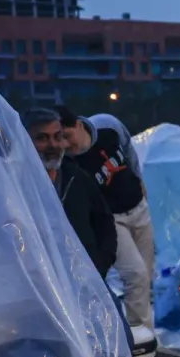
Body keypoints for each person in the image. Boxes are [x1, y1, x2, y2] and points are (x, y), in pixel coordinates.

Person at [58, 106, 156, 325]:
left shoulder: (106, 126)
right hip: (113, 219)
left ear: (79, 124)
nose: (65, 143)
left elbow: (128, 148)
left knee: (146, 277)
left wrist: (138, 179)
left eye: (67, 136)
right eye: (60, 138)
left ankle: (143, 328)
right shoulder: (71, 164)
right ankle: (141, 334)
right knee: (135, 275)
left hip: (138, 207)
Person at [23, 108, 117, 277]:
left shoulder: (76, 177)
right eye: (42, 138)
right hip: (35, 285)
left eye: (58, 137)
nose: (53, 145)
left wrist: (100, 262)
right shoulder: (14, 183)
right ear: (24, 140)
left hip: (85, 281)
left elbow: (104, 221)